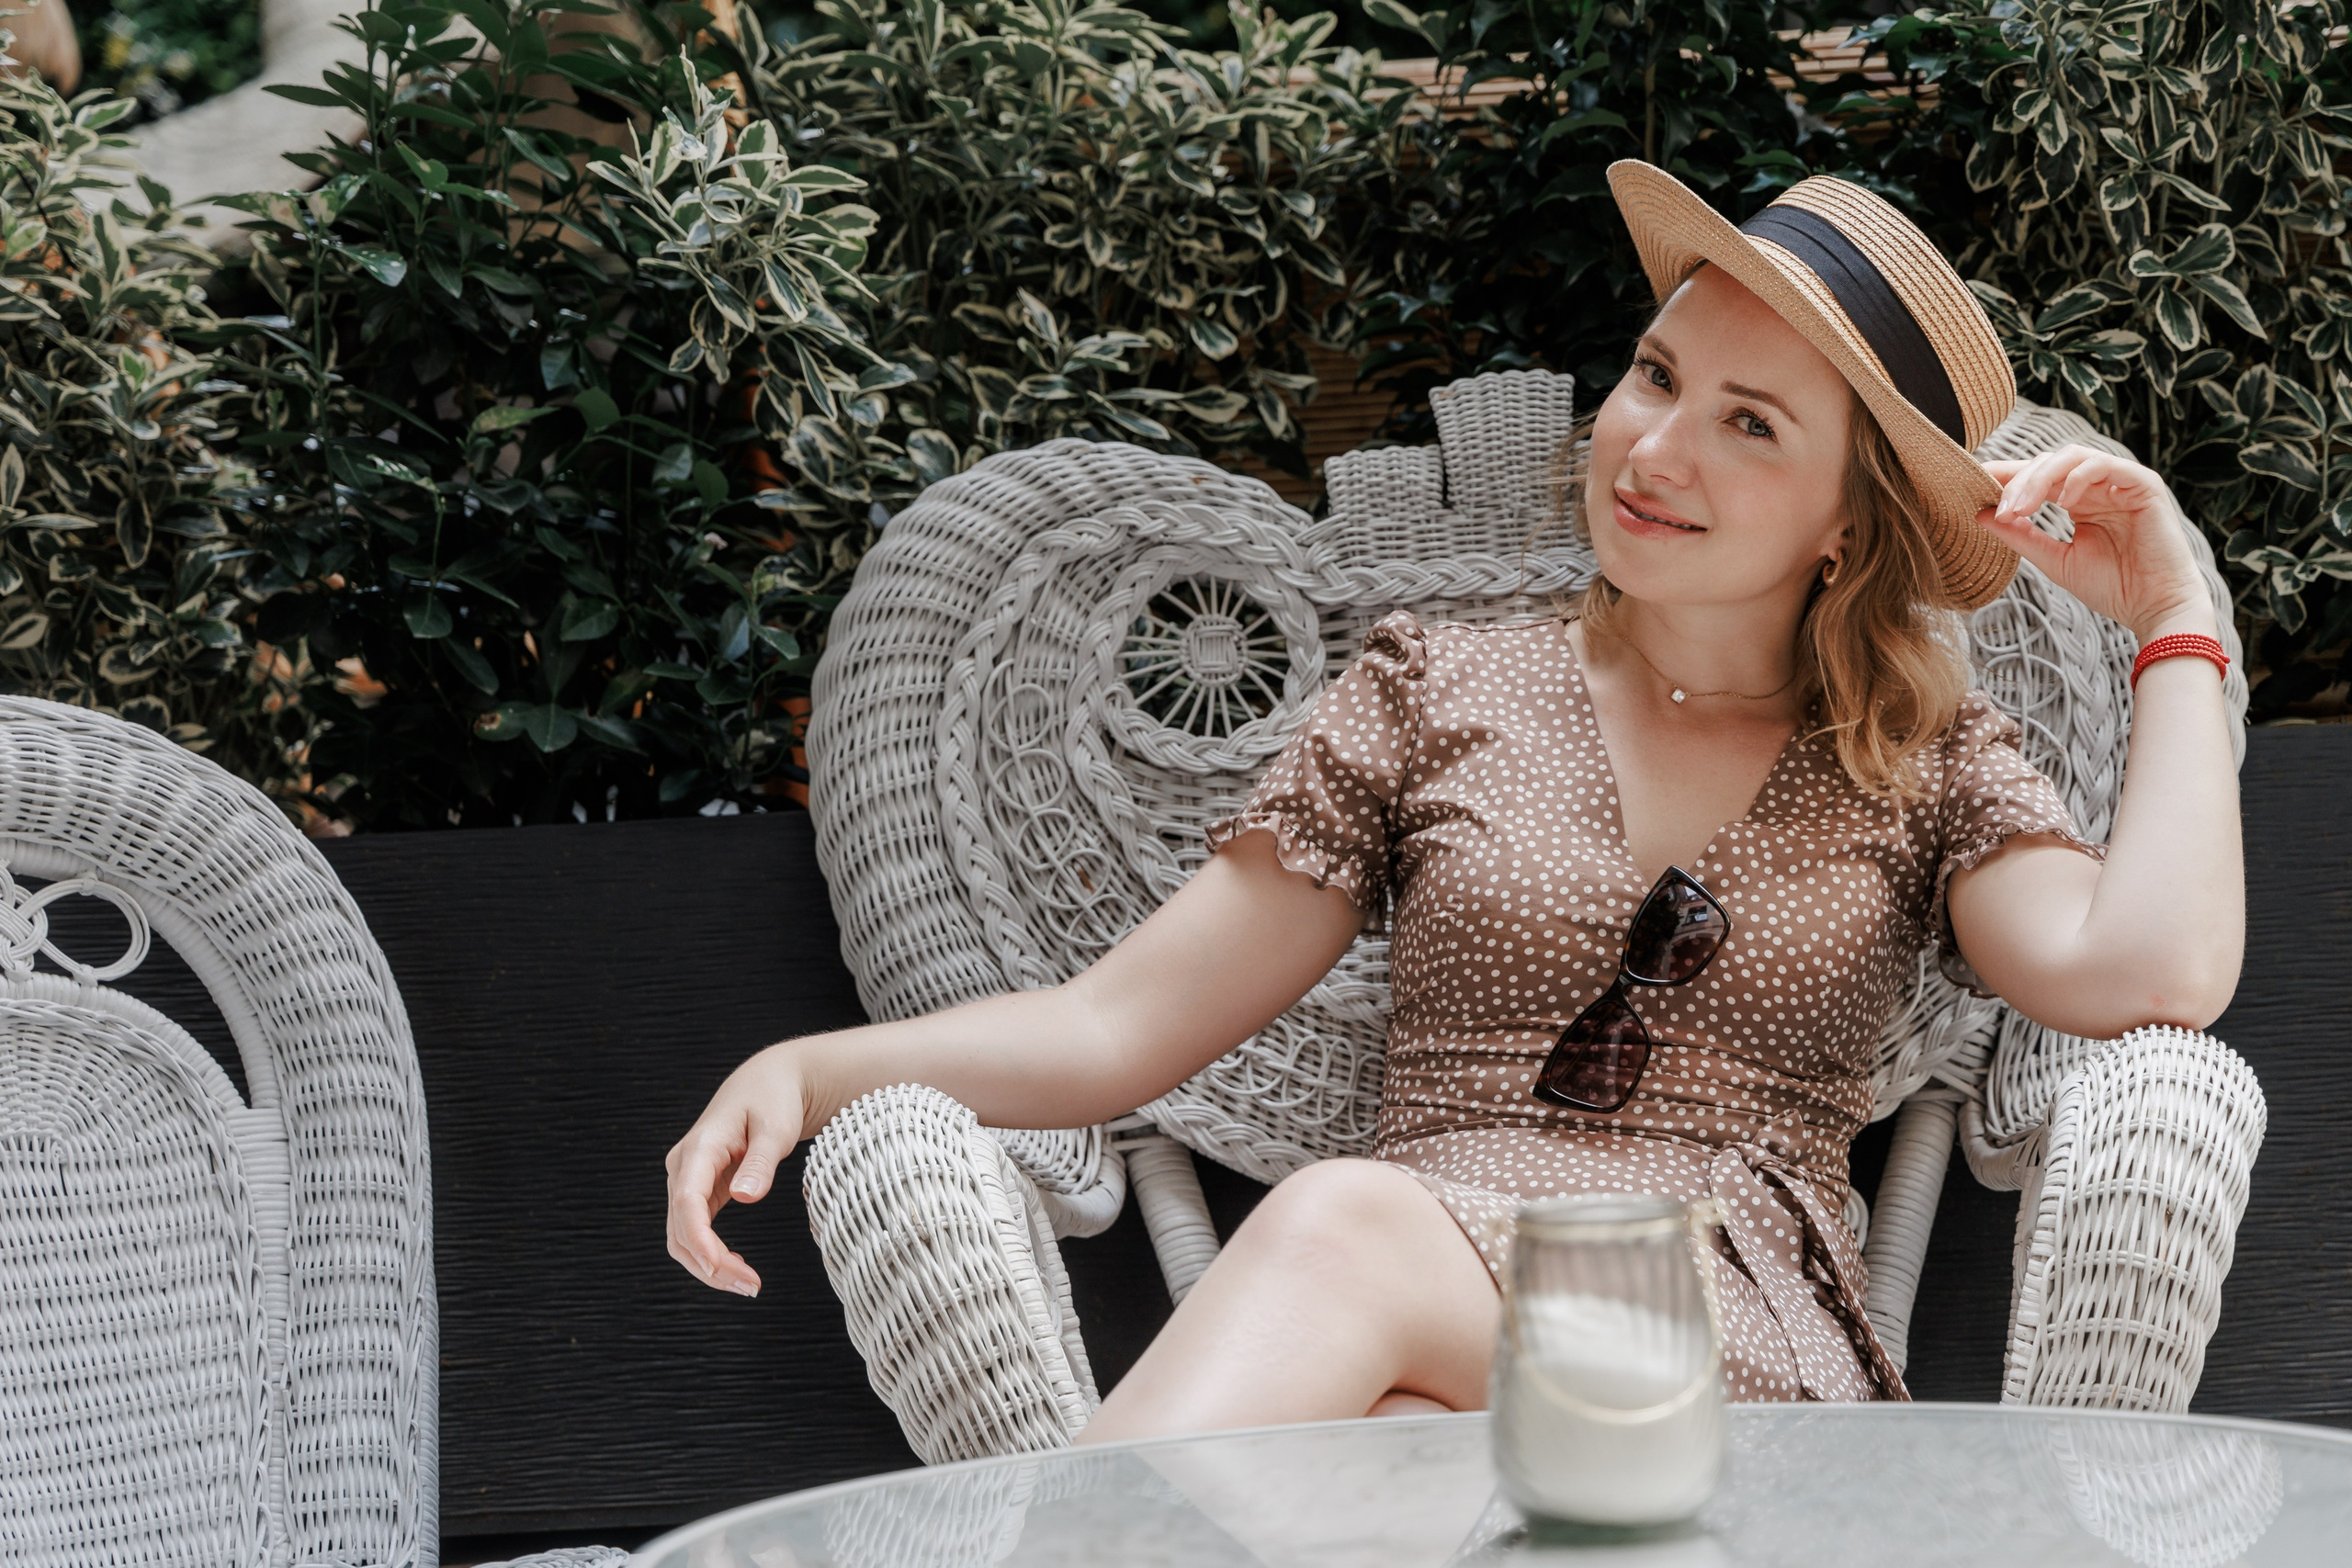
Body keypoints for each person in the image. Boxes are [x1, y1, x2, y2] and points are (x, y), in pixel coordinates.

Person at [664, 162, 2243, 1435]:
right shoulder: (1437, 689)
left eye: (1750, 425)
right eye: (1657, 373)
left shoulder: (1923, 757)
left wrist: (2175, 616)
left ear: (1849, 520)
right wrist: (809, 1071)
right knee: (1351, 1463)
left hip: (1724, 1353)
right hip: (1419, 1361)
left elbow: (2150, 973)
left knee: (1343, 1229)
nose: (1655, 445)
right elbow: (1117, 1030)